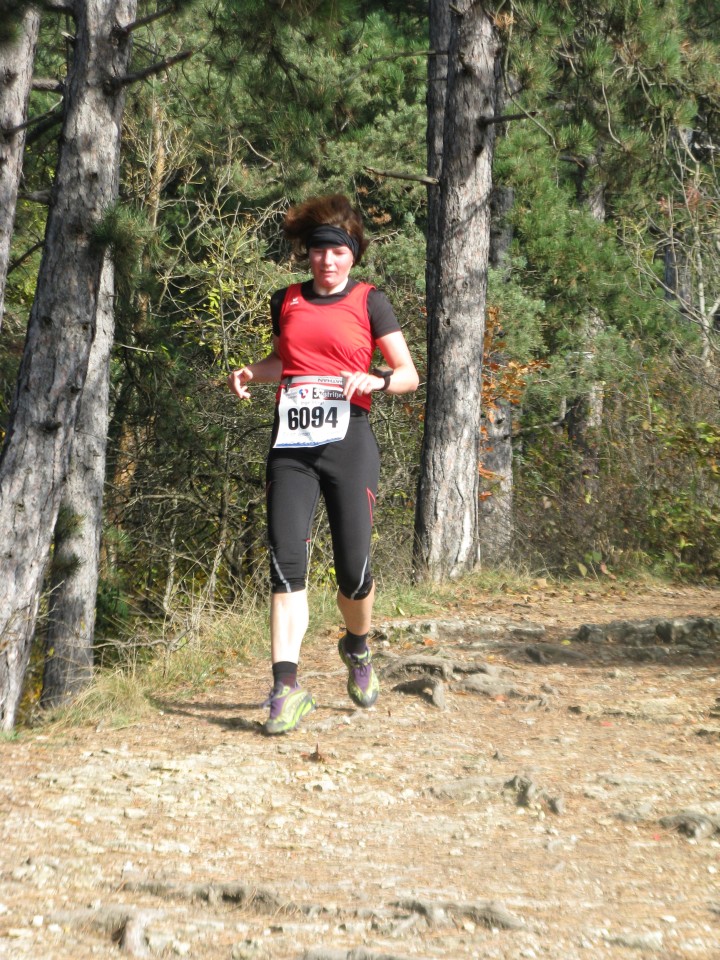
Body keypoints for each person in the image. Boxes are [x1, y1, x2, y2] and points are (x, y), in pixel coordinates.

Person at [228, 194, 419, 735]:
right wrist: (251, 372)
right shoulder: (286, 300)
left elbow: (408, 374)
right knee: (285, 563)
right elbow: (285, 361)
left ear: (353, 254)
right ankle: (285, 688)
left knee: (354, 573)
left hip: (349, 441)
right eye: (318, 251)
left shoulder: (369, 301)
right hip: (292, 446)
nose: (327, 261)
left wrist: (377, 379)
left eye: (337, 252)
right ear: (307, 254)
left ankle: (357, 645)